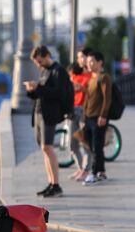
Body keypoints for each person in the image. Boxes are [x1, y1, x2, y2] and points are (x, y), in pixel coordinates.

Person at [24, 45, 70, 197]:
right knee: (44, 149)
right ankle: (51, 183)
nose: (38, 65)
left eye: (40, 61)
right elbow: (41, 93)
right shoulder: (44, 71)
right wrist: (32, 90)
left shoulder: (58, 71)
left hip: (49, 114)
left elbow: (59, 93)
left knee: (47, 147)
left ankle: (56, 185)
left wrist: (39, 87)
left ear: (47, 56)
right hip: (39, 112)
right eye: (36, 62)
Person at [82, 51, 112, 185]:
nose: (89, 64)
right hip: (89, 117)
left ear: (100, 62)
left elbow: (107, 98)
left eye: (92, 61)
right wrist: (84, 116)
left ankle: (93, 173)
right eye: (88, 61)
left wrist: (103, 115)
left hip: (98, 118)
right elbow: (88, 99)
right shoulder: (92, 78)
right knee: (93, 146)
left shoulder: (103, 77)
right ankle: (101, 171)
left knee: (97, 146)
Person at [70, 47, 94, 181]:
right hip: (73, 109)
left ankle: (86, 169)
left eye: (81, 57)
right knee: (72, 144)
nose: (79, 59)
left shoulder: (92, 74)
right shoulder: (75, 73)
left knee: (85, 143)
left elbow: (94, 93)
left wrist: (82, 89)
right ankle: (80, 168)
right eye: (78, 57)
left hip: (85, 110)